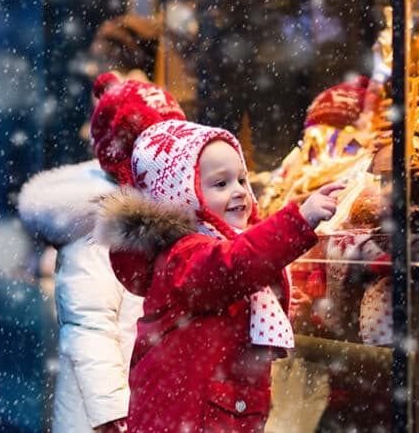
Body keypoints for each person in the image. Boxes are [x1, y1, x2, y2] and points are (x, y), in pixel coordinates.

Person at [91, 71, 342, 431]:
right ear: (182, 194)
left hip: (217, 411)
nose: (240, 191)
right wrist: (297, 221)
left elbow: (243, 275)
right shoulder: (184, 254)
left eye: (242, 179)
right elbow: (234, 265)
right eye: (220, 183)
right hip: (189, 416)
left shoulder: (216, 248)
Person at [17, 74, 187, 433]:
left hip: (145, 400)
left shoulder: (155, 214)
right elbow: (88, 326)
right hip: (105, 415)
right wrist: (113, 412)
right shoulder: (100, 223)